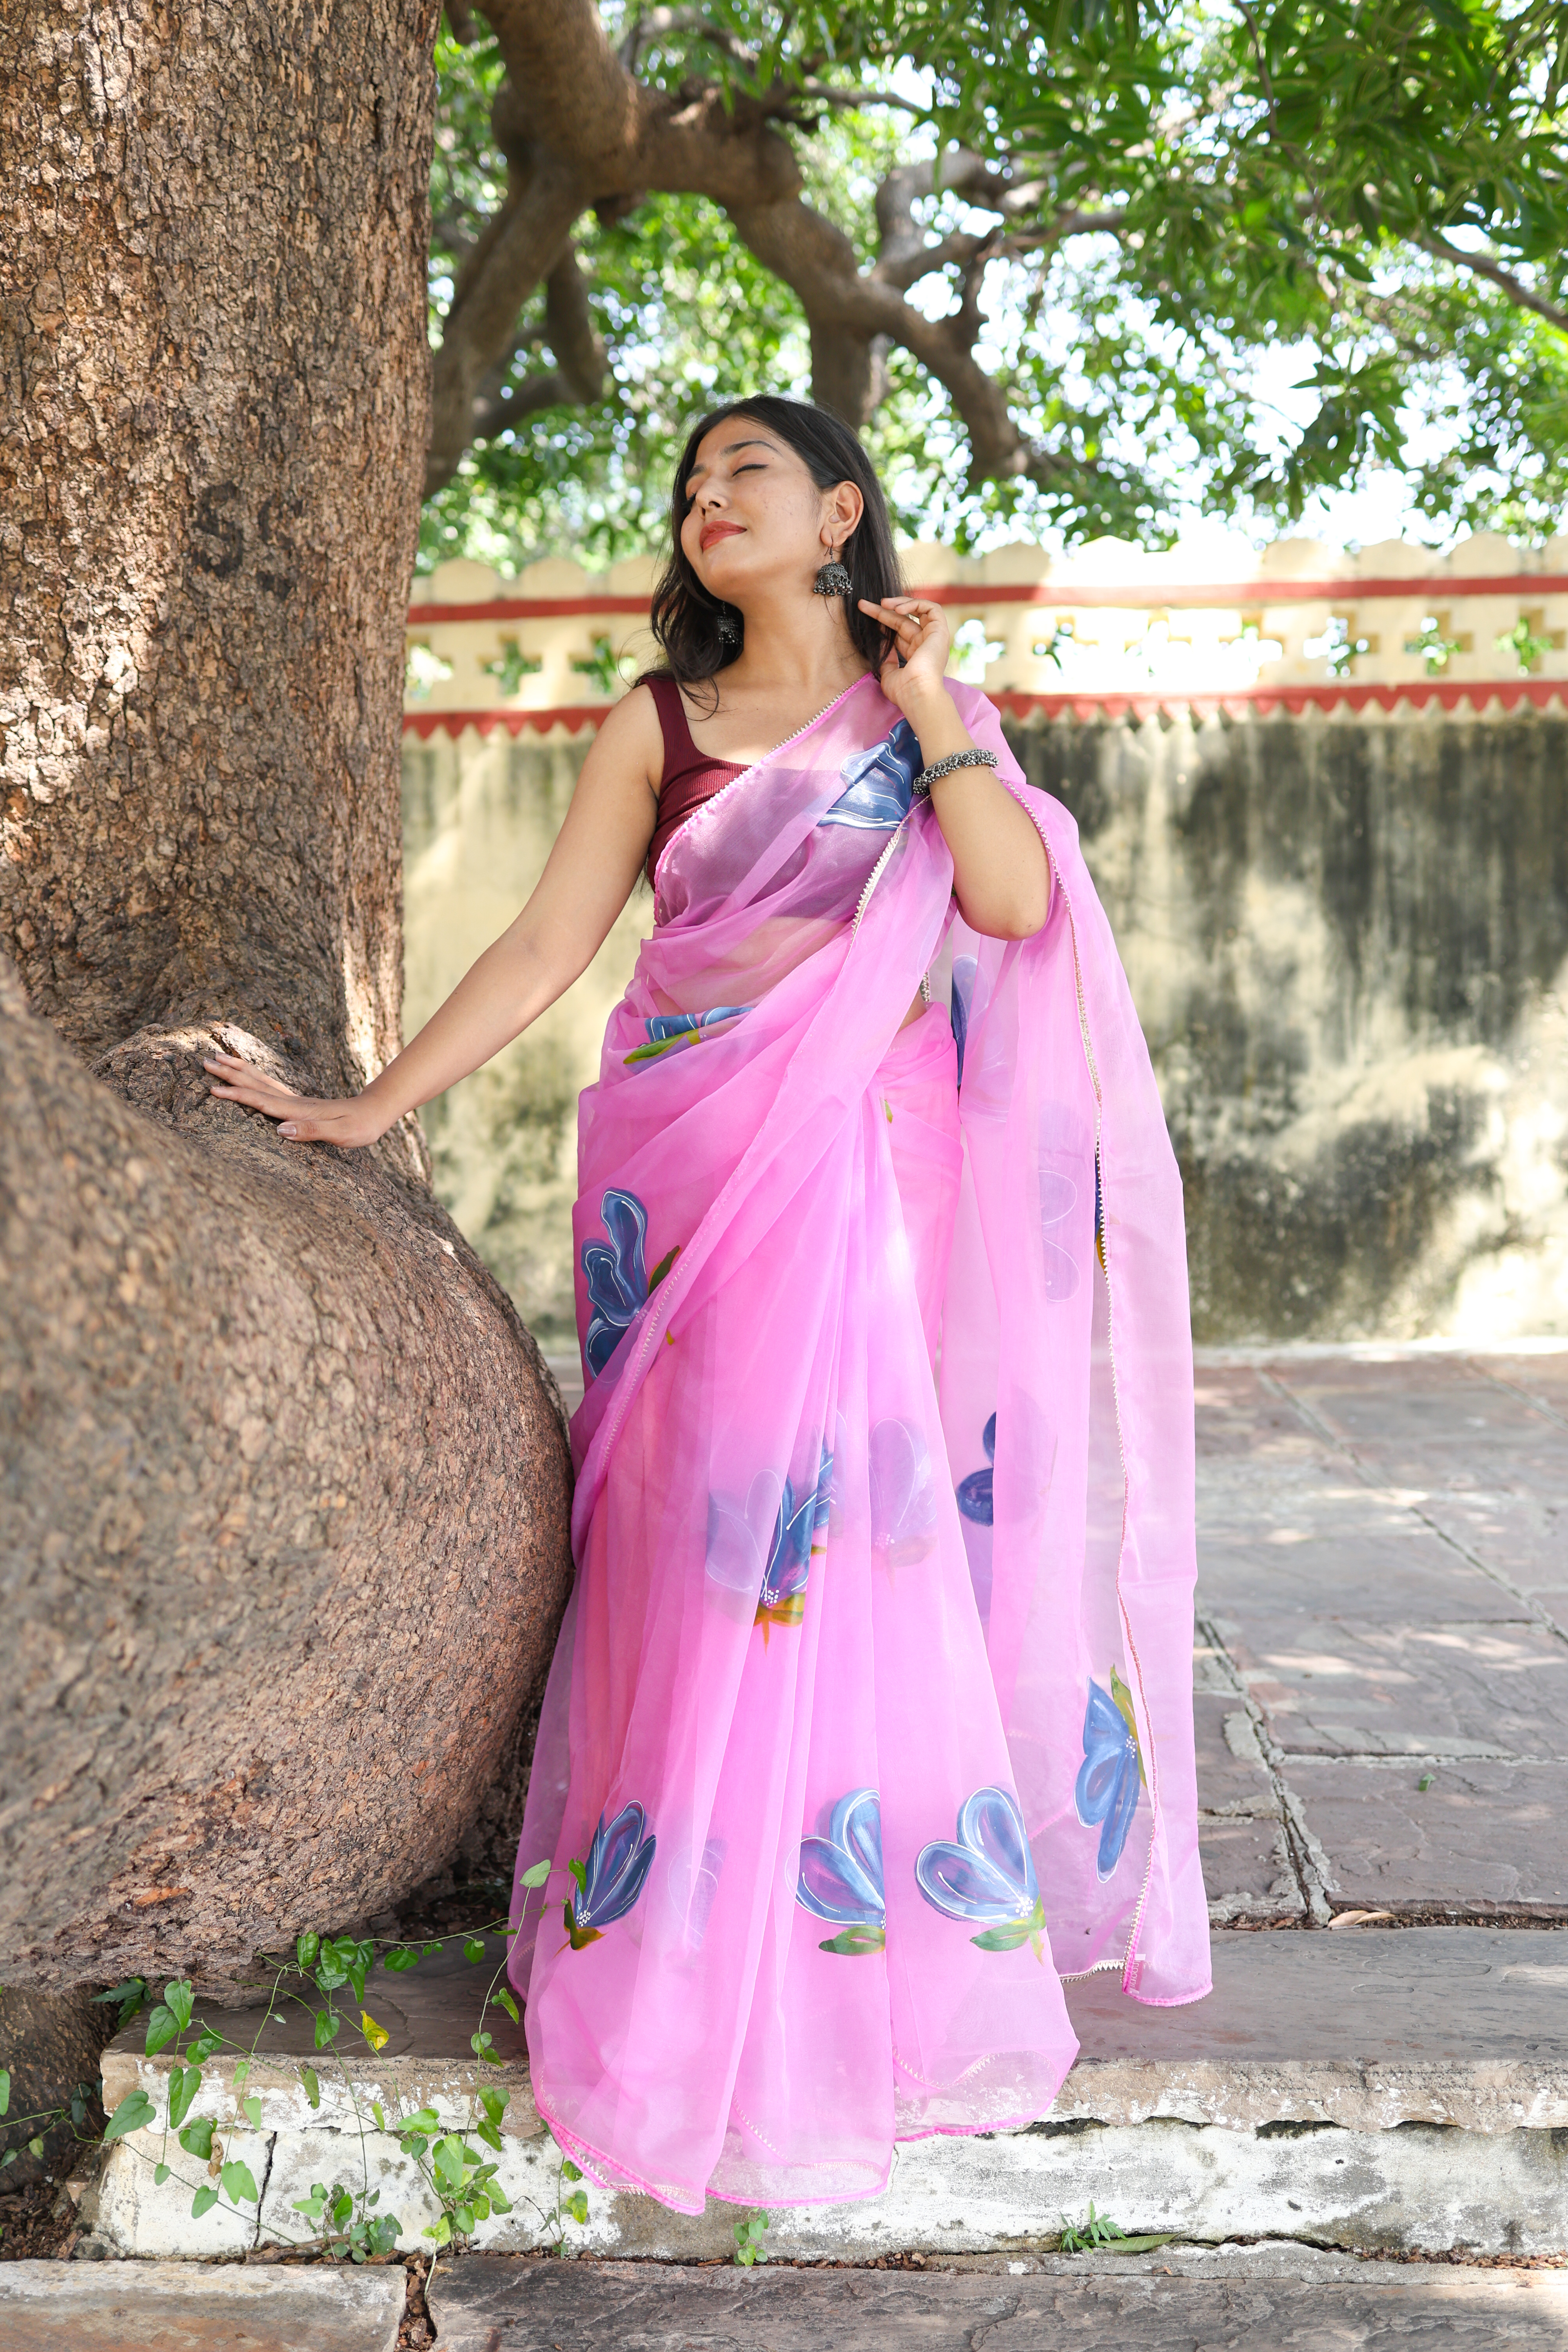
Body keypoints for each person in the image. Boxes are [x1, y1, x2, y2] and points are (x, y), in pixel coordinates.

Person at [206, 396, 1208, 2219]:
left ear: (839, 513)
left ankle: (861, 1961)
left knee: (855, 1550)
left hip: (866, 1186)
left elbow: (1001, 897)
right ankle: (675, 1940)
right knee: (699, 1550)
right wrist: (369, 1108)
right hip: (685, 1183)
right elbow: (543, 943)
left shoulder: (928, 728)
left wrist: (926, 711)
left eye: (743, 471)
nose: (703, 500)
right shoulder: (654, 724)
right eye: (689, 482)